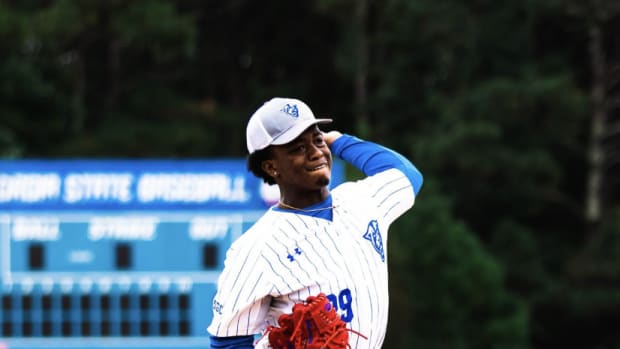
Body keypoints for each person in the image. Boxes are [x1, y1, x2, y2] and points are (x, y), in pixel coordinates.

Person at [207, 97, 423, 348]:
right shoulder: (256, 249)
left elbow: (406, 174)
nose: (315, 152)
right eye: (298, 148)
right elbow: (227, 342)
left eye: (317, 140)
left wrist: (339, 141)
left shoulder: (362, 201)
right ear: (271, 166)